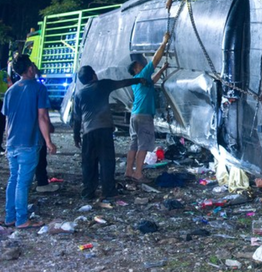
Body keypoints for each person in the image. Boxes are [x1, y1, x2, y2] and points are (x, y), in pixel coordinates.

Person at [72, 66, 148, 200]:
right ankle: (108, 191)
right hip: (104, 130)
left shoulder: (79, 94)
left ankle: (88, 192)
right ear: (94, 74)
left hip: (88, 133)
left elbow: (77, 118)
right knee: (107, 162)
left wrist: (76, 136)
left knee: (89, 164)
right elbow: (122, 83)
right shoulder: (103, 85)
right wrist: (139, 80)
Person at [2, 54, 56, 229]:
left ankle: (10, 217)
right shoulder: (38, 88)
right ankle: (22, 219)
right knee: (23, 183)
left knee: (14, 179)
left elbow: (8, 119)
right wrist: (48, 141)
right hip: (28, 142)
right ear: (31, 68)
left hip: (12, 142)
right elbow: (42, 117)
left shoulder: (10, 91)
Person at [124, 33, 170, 183]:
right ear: (137, 68)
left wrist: (162, 70)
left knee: (134, 144)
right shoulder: (142, 74)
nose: (143, 65)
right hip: (144, 116)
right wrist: (163, 43)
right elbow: (155, 60)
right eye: (140, 64)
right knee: (143, 145)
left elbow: (153, 80)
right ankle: (138, 173)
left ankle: (129, 171)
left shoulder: (139, 81)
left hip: (135, 115)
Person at [0, 67, 12, 152]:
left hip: (2, 102)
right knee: (1, 125)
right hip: (3, 102)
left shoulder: (4, 74)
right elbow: (11, 86)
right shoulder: (4, 74)